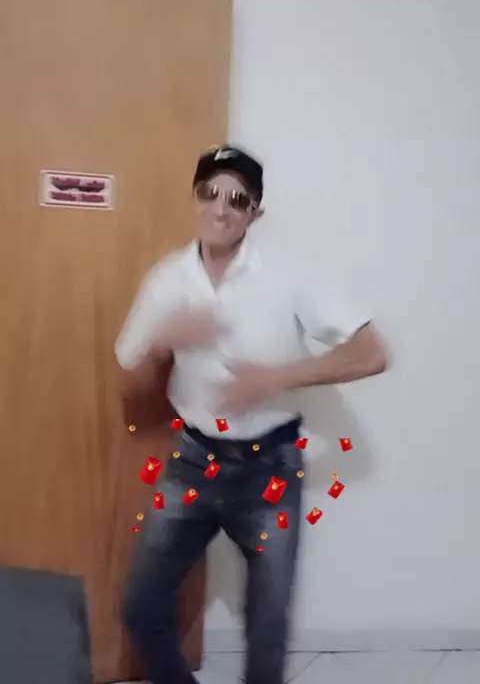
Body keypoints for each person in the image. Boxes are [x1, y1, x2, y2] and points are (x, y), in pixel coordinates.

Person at [115, 144, 388, 684]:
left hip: (271, 469)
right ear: (196, 198)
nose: (221, 209)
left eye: (237, 200)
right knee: (142, 608)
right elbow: (128, 378)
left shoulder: (289, 275)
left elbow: (372, 353)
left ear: (254, 213)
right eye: (210, 193)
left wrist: (277, 377)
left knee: (267, 634)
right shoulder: (166, 280)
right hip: (192, 462)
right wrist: (162, 342)